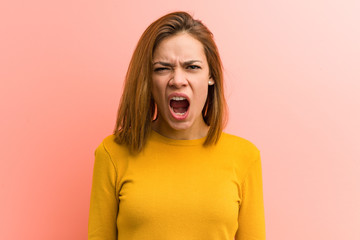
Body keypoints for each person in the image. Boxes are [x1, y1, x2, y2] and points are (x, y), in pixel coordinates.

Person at [88, 11, 265, 240]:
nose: (178, 80)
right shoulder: (113, 153)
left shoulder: (245, 157)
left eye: (192, 67)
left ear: (211, 76)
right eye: (162, 68)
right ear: (148, 79)